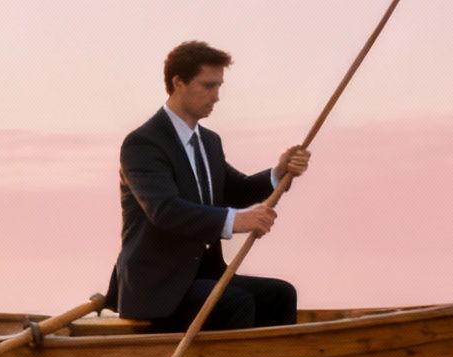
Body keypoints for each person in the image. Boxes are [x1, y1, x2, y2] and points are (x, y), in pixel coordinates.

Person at [107, 40, 311, 332]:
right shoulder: (143, 144)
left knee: (280, 295)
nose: (216, 96)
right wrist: (235, 221)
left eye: (219, 86)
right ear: (178, 82)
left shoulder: (209, 142)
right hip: (159, 288)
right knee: (235, 302)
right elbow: (165, 210)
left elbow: (236, 190)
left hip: (205, 278)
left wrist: (279, 172)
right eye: (208, 86)